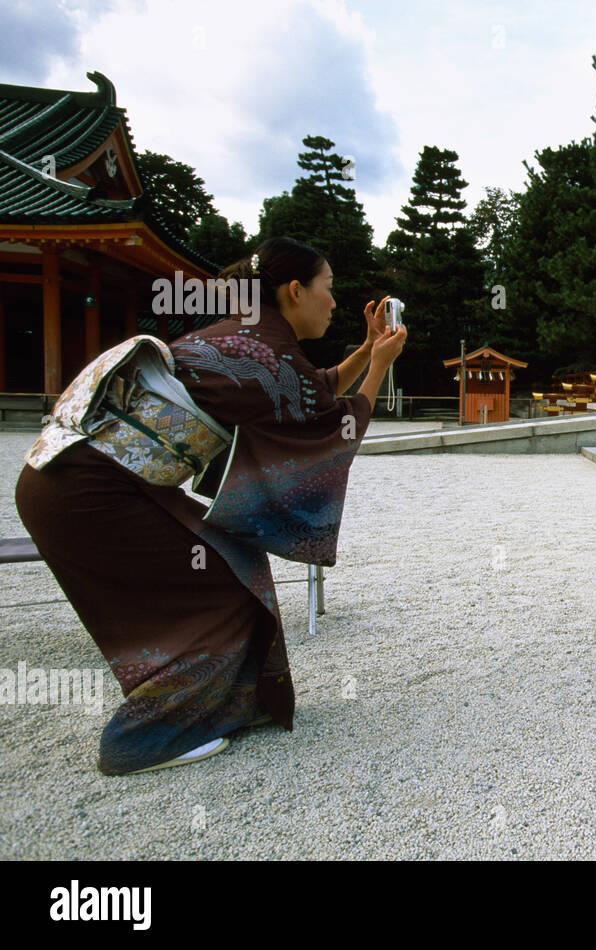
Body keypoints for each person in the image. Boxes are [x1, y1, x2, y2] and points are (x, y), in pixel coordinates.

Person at [14, 237, 406, 774]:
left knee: (230, 565)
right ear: (295, 290)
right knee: (223, 591)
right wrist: (381, 364)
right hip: (91, 492)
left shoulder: (243, 335)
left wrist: (365, 351)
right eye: (329, 289)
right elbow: (335, 424)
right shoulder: (272, 353)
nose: (334, 303)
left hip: (64, 477)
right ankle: (147, 737)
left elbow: (314, 389)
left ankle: (223, 706)